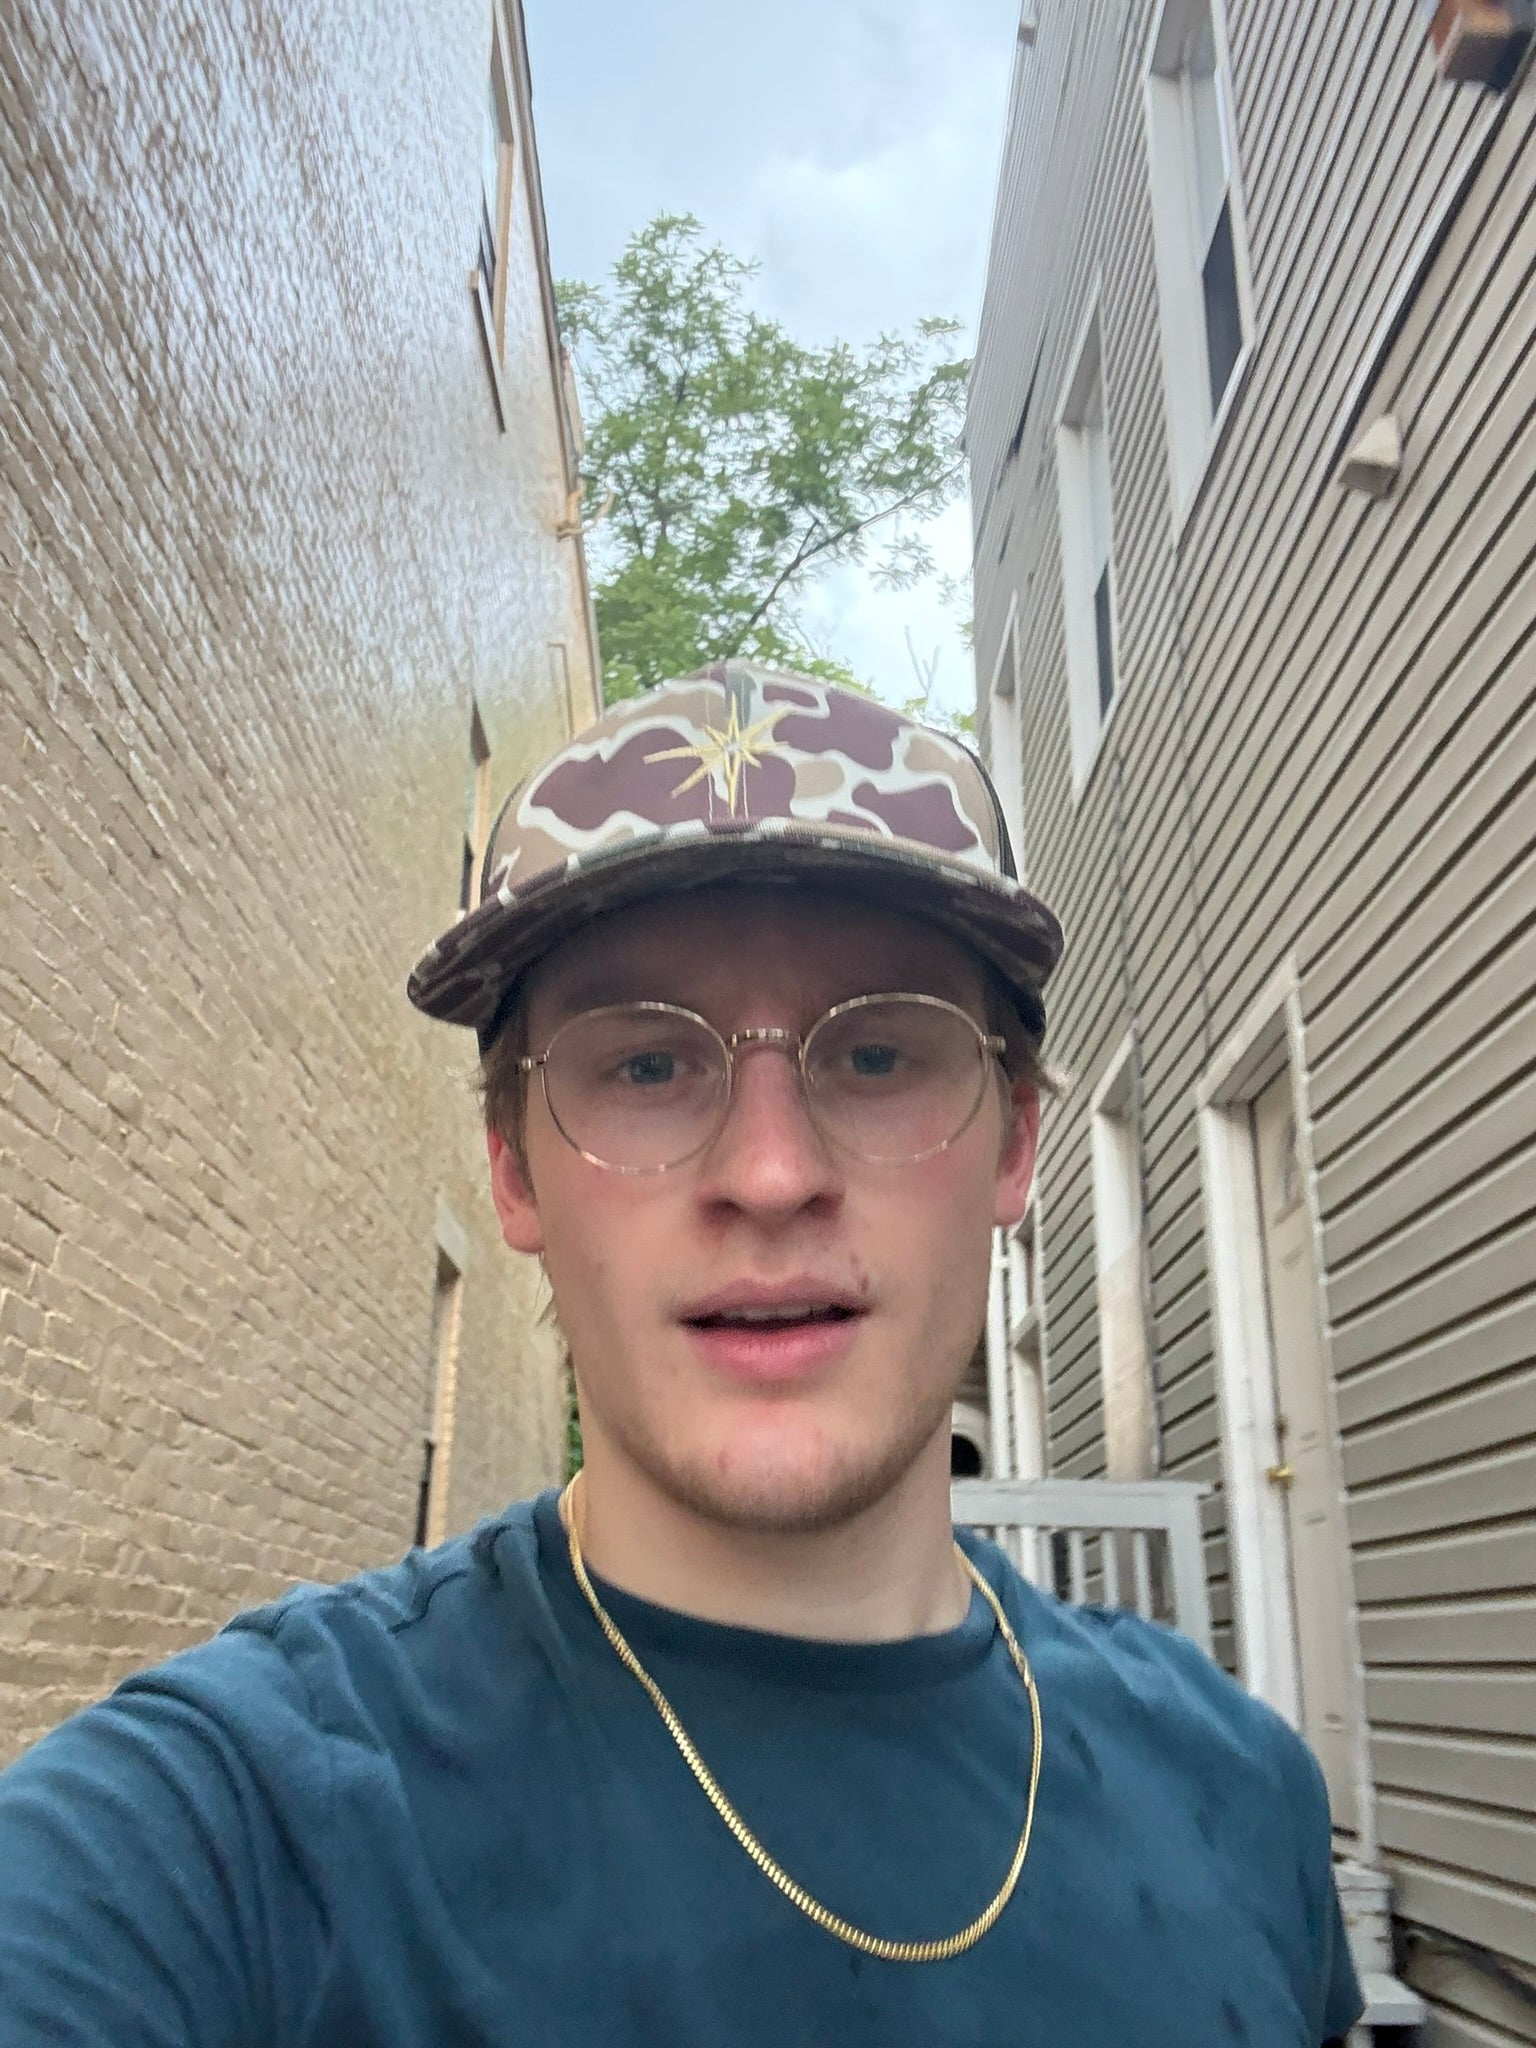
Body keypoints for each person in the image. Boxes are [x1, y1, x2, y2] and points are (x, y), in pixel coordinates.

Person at [0, 664, 1363, 2046]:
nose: (770, 1175)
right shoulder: (230, 1843)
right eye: (647, 1066)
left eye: (878, 1055)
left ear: (1013, 1140)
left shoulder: (1241, 1798)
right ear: (513, 1170)